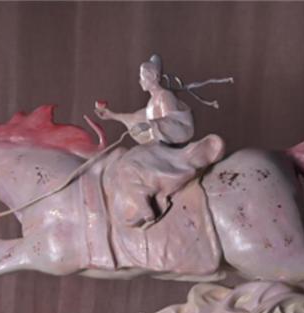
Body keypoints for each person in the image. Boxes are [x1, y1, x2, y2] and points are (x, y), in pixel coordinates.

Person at [94, 54, 226, 228]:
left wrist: (153, 126)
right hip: (157, 145)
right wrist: (112, 115)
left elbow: (174, 122)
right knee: (125, 161)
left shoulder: (165, 96)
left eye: (142, 77)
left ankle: (144, 206)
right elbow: (137, 118)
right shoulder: (152, 102)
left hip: (168, 148)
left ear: (154, 77)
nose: (140, 81)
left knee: (129, 164)